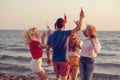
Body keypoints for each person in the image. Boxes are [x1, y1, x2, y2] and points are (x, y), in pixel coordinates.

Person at [46, 9, 85, 80]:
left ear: (56, 25)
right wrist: (81, 17)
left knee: (58, 77)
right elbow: (78, 28)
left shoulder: (50, 36)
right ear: (63, 26)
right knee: (64, 77)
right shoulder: (65, 33)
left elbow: (47, 47)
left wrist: (48, 58)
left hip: (55, 60)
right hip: (64, 60)